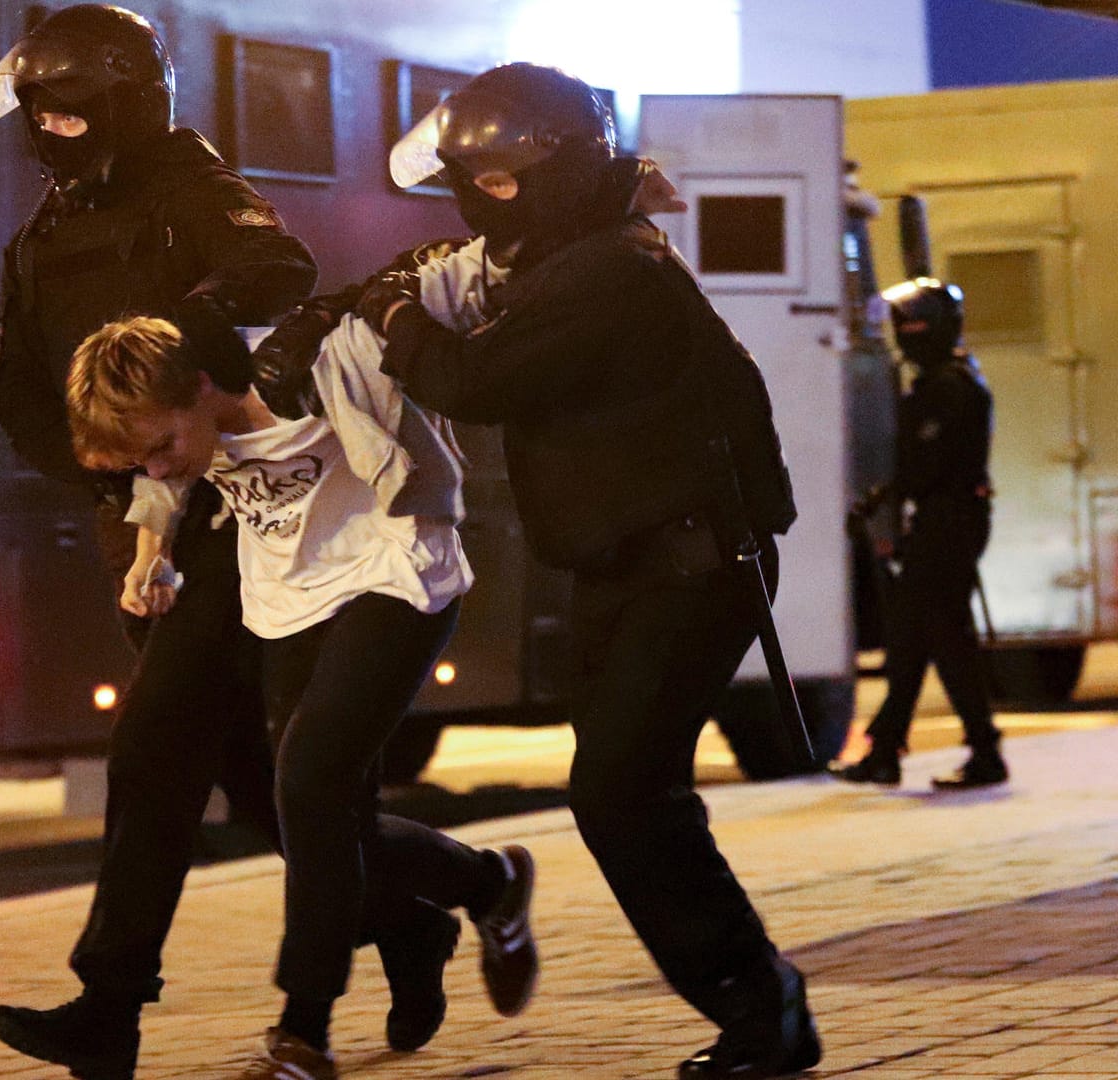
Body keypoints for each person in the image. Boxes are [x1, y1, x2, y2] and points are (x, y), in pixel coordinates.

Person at [261, 63, 821, 1079]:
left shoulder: (608, 269)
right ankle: (759, 1004)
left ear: (557, 165)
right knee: (618, 795)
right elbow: (442, 280)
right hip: (630, 567)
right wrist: (349, 307)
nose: (483, 197)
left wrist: (392, 322)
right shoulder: (558, 256)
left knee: (620, 793)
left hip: (687, 566)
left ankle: (762, 1006)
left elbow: (474, 378)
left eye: (504, 177)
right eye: (471, 178)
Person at [0, 9, 472, 1077]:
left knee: (158, 750)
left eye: (74, 110)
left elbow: (273, 269)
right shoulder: (43, 232)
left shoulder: (190, 188)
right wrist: (114, 472)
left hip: (229, 507)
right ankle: (420, 915)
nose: (56, 131)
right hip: (146, 507)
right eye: (41, 114)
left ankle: (110, 1009)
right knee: (266, 794)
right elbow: (17, 383)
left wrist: (181, 373)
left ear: (125, 101)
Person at [66, 281, 536, 1079]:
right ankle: (488, 882)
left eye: (163, 443)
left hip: (395, 580)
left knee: (313, 781)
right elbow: (163, 481)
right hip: (290, 604)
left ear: (203, 388)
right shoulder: (183, 431)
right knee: (324, 821)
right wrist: (152, 556)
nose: (157, 464)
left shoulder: (317, 371)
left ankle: (303, 1032)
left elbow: (438, 284)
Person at [833, 278, 1004, 790]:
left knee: (946, 639)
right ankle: (885, 752)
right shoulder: (947, 381)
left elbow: (927, 464)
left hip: (947, 522)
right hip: (944, 520)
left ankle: (984, 751)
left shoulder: (947, 388)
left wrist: (881, 500)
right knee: (910, 639)